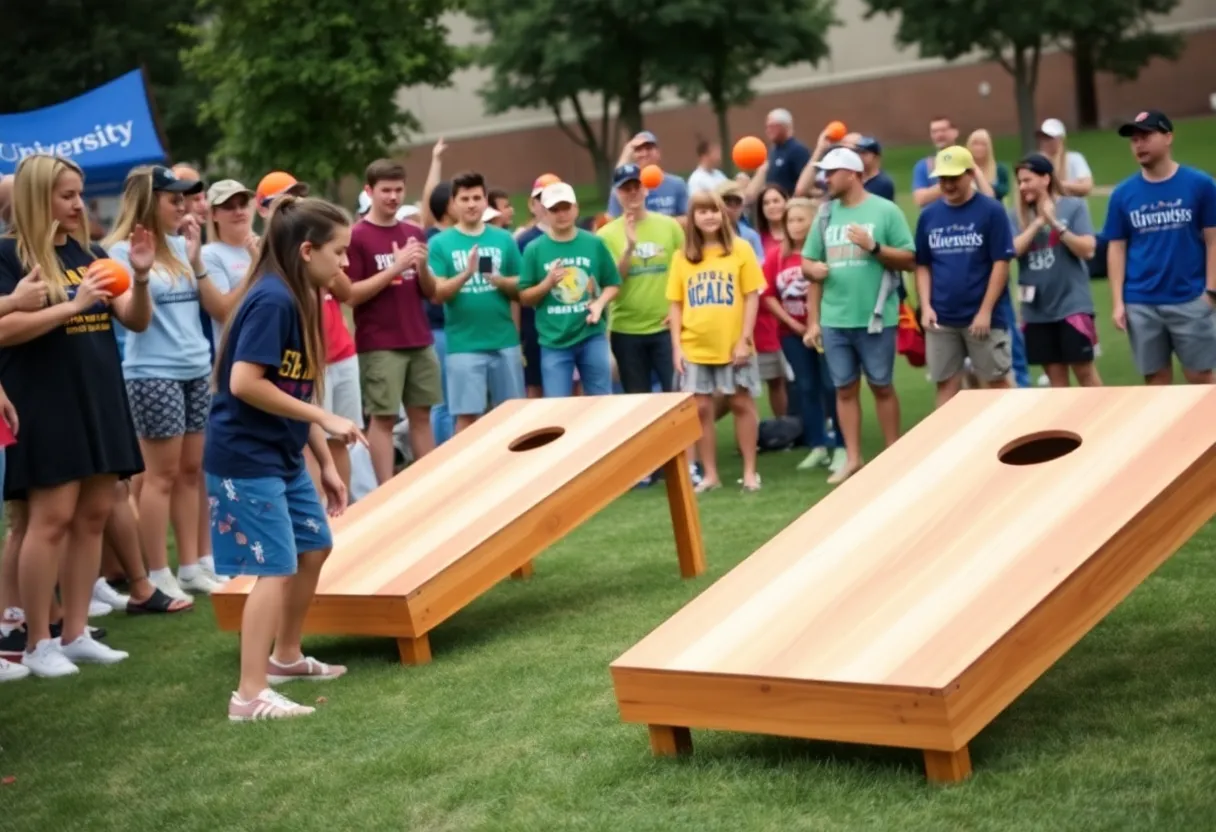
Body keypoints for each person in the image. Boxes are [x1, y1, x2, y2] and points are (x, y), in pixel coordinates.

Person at [206, 196, 364, 721]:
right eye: (339, 252)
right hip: (244, 457)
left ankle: (286, 657)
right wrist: (324, 420)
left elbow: (295, 385)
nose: (345, 264)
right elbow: (244, 383)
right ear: (306, 250)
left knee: (314, 546)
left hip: (283, 454)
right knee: (273, 568)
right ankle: (248, 696)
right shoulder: (273, 300)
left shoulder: (302, 297)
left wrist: (321, 460)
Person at [0, 154, 155, 676]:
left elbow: (132, 319)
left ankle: (75, 632)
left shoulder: (87, 250)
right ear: (37, 197)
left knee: (92, 515)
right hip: (44, 399)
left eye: (79, 194)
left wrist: (141, 277)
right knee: (51, 520)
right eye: (66, 195)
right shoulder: (7, 256)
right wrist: (72, 304)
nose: (77, 205)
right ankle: (36, 640)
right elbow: (3, 331)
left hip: (99, 393)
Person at [105, 166, 232, 599]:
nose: (183, 205)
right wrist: (142, 274)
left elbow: (215, 306)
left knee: (193, 472)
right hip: (152, 373)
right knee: (161, 476)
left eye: (184, 198)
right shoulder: (119, 252)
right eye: (173, 198)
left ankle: (193, 566)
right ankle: (158, 572)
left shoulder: (182, 245)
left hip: (196, 368)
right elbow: (134, 322)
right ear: (148, 200)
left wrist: (196, 262)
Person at [801, 148, 914, 484]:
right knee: (844, 389)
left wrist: (874, 247)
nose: (825, 179)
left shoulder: (885, 211)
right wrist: (813, 271)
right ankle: (853, 459)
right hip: (835, 319)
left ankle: (893, 453)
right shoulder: (824, 215)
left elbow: (909, 258)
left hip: (875, 317)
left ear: (851, 173)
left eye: (831, 172)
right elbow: (806, 262)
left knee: (881, 385)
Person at [344, 159, 439, 484]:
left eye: (398, 190)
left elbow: (431, 292)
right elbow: (351, 294)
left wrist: (422, 267)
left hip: (419, 337)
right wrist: (395, 268)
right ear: (369, 191)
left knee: (422, 416)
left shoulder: (414, 232)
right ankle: (387, 490)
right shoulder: (357, 236)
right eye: (386, 190)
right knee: (383, 419)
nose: (393, 197)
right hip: (380, 343)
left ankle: (429, 485)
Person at [1104, 110, 1216, 385]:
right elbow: (1116, 248)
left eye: (1146, 136)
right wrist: (1119, 301)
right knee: (1155, 383)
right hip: (1141, 302)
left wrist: (1211, 291)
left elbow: (1214, 240)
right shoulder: (1122, 194)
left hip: (1190, 297)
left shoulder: (1200, 185)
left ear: (1168, 137)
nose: (1138, 144)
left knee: (1201, 378)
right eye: (1134, 140)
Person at [667, 190, 763, 493]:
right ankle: (710, 474)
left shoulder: (740, 249)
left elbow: (751, 296)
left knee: (740, 401)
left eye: (714, 210)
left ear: (723, 215)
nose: (709, 216)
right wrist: (677, 347)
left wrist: (744, 340)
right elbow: (675, 304)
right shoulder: (682, 257)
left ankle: (750, 472)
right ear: (692, 218)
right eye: (702, 211)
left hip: (734, 343)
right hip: (695, 345)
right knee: (702, 409)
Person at [915, 146, 1017, 408]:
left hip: (982, 317)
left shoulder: (991, 211)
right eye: (943, 179)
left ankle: (1015, 439)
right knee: (947, 386)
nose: (947, 185)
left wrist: (985, 311)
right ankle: (948, 446)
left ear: (971, 174)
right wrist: (926, 307)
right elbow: (923, 265)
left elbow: (1001, 263)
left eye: (953, 178)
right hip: (942, 317)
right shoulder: (928, 215)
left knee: (997, 384)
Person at [428, 171, 525, 432]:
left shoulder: (503, 239)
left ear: (485, 202)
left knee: (513, 415)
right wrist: (466, 274)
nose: (471, 204)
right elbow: (438, 293)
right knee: (467, 419)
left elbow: (523, 286)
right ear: (454, 203)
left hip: (504, 340)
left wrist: (500, 281)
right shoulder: (440, 243)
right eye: (464, 198)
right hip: (464, 345)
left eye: (477, 198)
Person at [762, 197, 842, 471]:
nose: (795, 226)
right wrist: (794, 325)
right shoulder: (777, 256)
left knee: (832, 386)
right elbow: (769, 295)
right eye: (790, 220)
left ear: (813, 222)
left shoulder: (823, 252)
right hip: (791, 333)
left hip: (824, 330)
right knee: (806, 388)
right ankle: (817, 445)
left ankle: (842, 445)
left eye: (800, 219)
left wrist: (814, 324)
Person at [519, 182, 620, 396]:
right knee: (558, 405)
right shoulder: (534, 249)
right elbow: (524, 297)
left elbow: (613, 283)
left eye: (566, 207)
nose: (561, 214)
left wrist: (600, 304)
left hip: (591, 335)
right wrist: (547, 284)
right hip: (554, 340)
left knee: (602, 402)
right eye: (555, 209)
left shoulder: (594, 243)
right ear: (544, 212)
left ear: (576, 208)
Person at [1010, 153, 1101, 387]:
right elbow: (1012, 250)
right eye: (1020, 181)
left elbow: (1088, 249)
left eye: (1027, 180)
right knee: (1055, 380)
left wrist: (1055, 225)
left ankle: (1104, 422)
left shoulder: (1073, 207)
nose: (1022, 187)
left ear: (1045, 178)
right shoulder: (1015, 215)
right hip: (1036, 310)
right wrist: (1038, 222)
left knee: (1084, 371)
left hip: (1072, 306)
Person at [718, 180, 787, 417]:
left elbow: (758, 276)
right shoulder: (708, 238)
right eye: (726, 202)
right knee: (732, 386)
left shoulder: (749, 236)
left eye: (736, 202)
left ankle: (782, 429)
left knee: (774, 375)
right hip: (724, 317)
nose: (731, 207)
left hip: (757, 316)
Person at [608, 132, 689, 219]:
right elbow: (613, 218)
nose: (644, 153)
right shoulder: (625, 188)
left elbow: (688, 220)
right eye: (638, 150)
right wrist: (625, 154)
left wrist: (658, 224)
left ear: (658, 153)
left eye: (649, 148)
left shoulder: (676, 184)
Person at [1037, 119, 1094, 197]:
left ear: (1061, 139)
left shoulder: (1074, 158)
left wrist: (1060, 184)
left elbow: (1087, 186)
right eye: (1043, 137)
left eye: (1050, 138)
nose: (1045, 141)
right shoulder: (1037, 161)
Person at [762, 109, 812, 197]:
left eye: (772, 126)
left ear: (784, 126)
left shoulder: (798, 150)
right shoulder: (773, 151)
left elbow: (807, 183)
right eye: (767, 127)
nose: (768, 130)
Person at [912, 116, 961, 207]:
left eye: (943, 130)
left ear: (955, 132)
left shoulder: (967, 161)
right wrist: (952, 182)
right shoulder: (923, 166)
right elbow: (920, 199)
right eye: (934, 131)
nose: (939, 135)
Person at [966, 129, 1011, 202]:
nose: (979, 148)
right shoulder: (963, 169)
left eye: (983, 144)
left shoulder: (1000, 169)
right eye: (975, 144)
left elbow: (1000, 192)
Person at [754, 185, 788, 254]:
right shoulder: (756, 238)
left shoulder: (800, 235)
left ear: (786, 202)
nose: (771, 206)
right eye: (766, 203)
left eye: (776, 201)